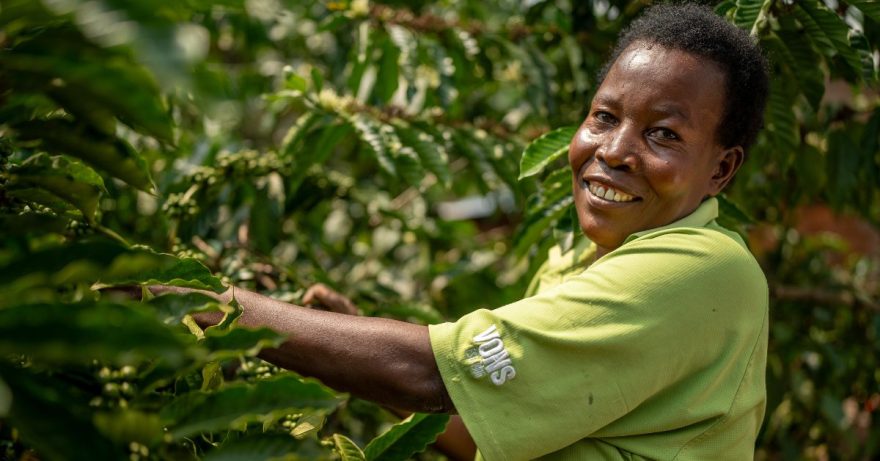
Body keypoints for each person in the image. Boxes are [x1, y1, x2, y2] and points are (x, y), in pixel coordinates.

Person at [159, 3, 770, 460]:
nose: (613, 151)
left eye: (663, 133)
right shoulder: (582, 264)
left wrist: (208, 306)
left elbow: (428, 374)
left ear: (721, 168)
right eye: (603, 117)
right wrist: (341, 342)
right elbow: (485, 428)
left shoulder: (706, 268)